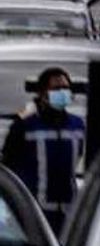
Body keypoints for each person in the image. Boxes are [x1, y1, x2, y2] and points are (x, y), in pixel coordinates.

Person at [0, 67, 85, 232]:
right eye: (56, 89)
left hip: (69, 214)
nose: (62, 92)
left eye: (66, 88)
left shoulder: (78, 126)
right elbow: (9, 168)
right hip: (34, 215)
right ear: (42, 94)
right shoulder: (25, 126)